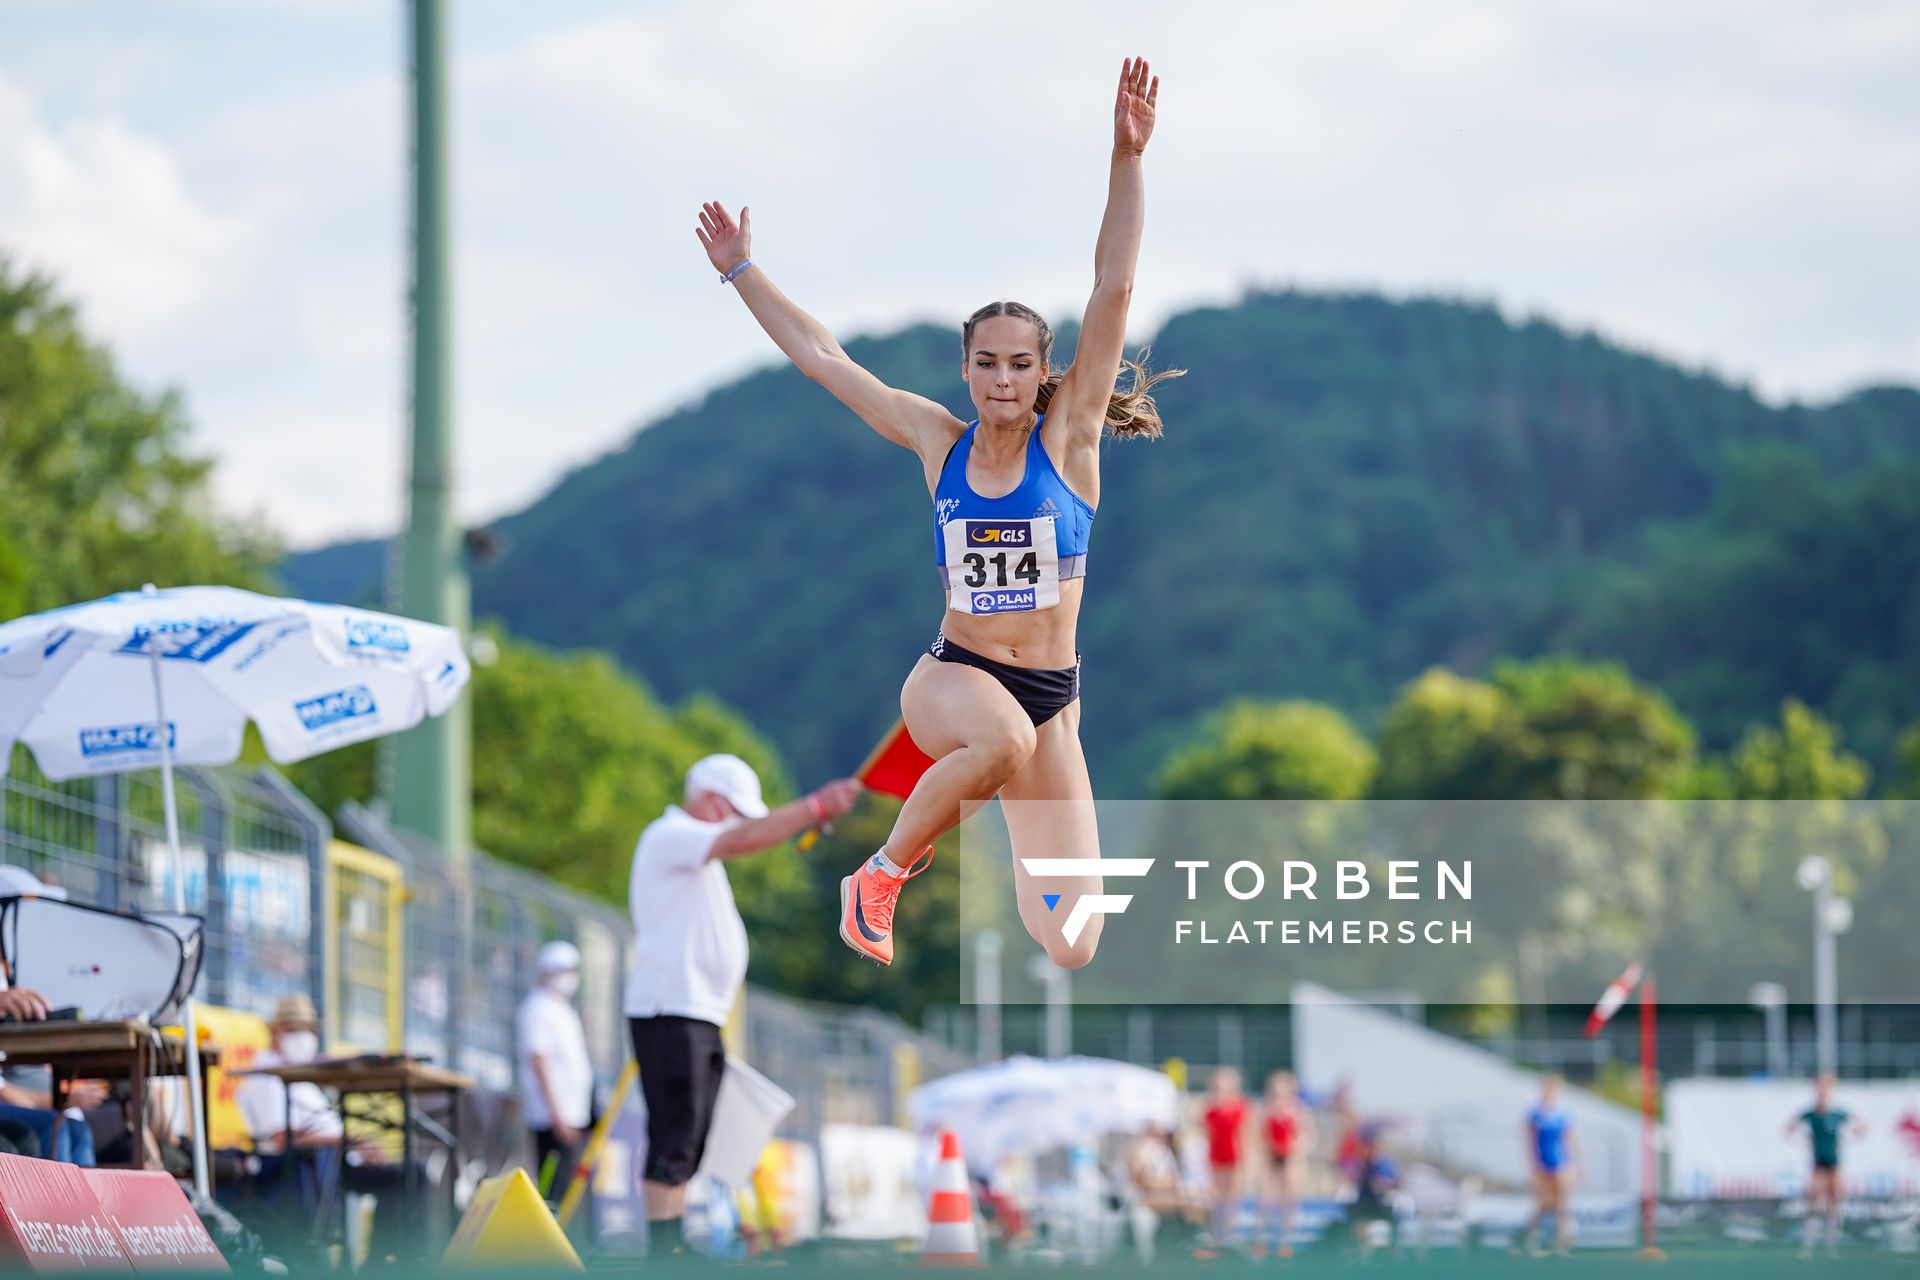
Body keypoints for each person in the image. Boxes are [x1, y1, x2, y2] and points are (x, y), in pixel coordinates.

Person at [693, 57, 1179, 972]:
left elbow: (1112, 289)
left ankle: (978, 783)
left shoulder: (1070, 443)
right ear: (966, 370)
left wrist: (1127, 156)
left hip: (1051, 702)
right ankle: (880, 876)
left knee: (1071, 940)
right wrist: (742, 271)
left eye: (1019, 365)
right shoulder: (937, 442)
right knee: (993, 737)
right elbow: (825, 359)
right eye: (985, 363)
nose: (1002, 380)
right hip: (954, 679)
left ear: (1045, 374)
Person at [624, 754, 860, 1257]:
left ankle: (670, 1245)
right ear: (713, 801)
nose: (742, 825)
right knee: (675, 1134)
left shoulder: (692, 854)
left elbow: (741, 839)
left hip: (696, 1012)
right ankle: (662, 1252)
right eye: (736, 811)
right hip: (672, 1008)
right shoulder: (670, 836)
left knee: (689, 1137)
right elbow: (741, 840)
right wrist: (815, 806)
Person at [235, 995, 411, 1255]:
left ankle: (389, 1261)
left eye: (308, 1030)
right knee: (403, 1176)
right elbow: (283, 1138)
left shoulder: (302, 1076)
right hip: (305, 1168)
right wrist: (349, 1140)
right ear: (275, 1032)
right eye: (294, 1029)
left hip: (335, 1162)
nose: (303, 1037)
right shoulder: (266, 1074)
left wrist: (351, 1142)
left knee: (412, 1174)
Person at [517, 940, 594, 1204]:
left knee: (568, 1193)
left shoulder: (562, 1010)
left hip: (572, 1116)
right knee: (553, 1194)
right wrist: (557, 1115)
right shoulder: (538, 1007)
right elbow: (539, 1062)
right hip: (552, 1119)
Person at [1787, 1072, 1865, 1258]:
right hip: (1818, 1162)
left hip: (1834, 1163)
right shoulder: (1810, 1113)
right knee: (1813, 1201)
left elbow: (1862, 1127)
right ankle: (1808, 1245)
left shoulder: (1838, 1113)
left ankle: (1832, 1246)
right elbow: (1788, 1129)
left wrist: (1848, 1141)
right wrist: (1803, 1143)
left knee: (1834, 1202)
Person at [1254, 1070, 1315, 1259]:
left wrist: (1297, 1149)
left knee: (1289, 1200)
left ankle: (1285, 1241)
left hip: (1291, 1159)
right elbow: (1257, 1134)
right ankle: (1262, 1239)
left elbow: (1308, 1134)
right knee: (1266, 1199)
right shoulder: (1266, 1108)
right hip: (1271, 1158)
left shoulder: (1299, 1109)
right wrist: (1264, 1150)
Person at [1521, 1074, 1578, 1256]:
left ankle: (1561, 1240)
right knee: (1544, 1203)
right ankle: (1528, 1235)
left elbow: (1570, 1140)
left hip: (1560, 1162)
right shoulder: (1534, 1114)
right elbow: (1528, 1141)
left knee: (1563, 1202)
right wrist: (1530, 1166)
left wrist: (1576, 1165)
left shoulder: (1563, 1114)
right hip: (1542, 1163)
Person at [1198, 1067, 1250, 1255]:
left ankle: (1231, 1232)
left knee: (1232, 1195)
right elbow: (1204, 1130)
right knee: (1217, 1195)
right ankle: (1217, 1232)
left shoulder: (1240, 1105)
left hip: (1233, 1154)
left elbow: (1245, 1132)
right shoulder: (1210, 1106)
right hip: (1216, 1154)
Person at [1348, 1124, 1399, 1258]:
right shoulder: (1360, 1164)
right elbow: (1352, 1178)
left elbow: (1395, 1183)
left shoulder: (1384, 1163)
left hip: (1381, 1203)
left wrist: (1383, 1184)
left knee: (1392, 1221)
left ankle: (1391, 1252)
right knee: (1357, 1223)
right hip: (1364, 1203)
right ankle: (1362, 1252)